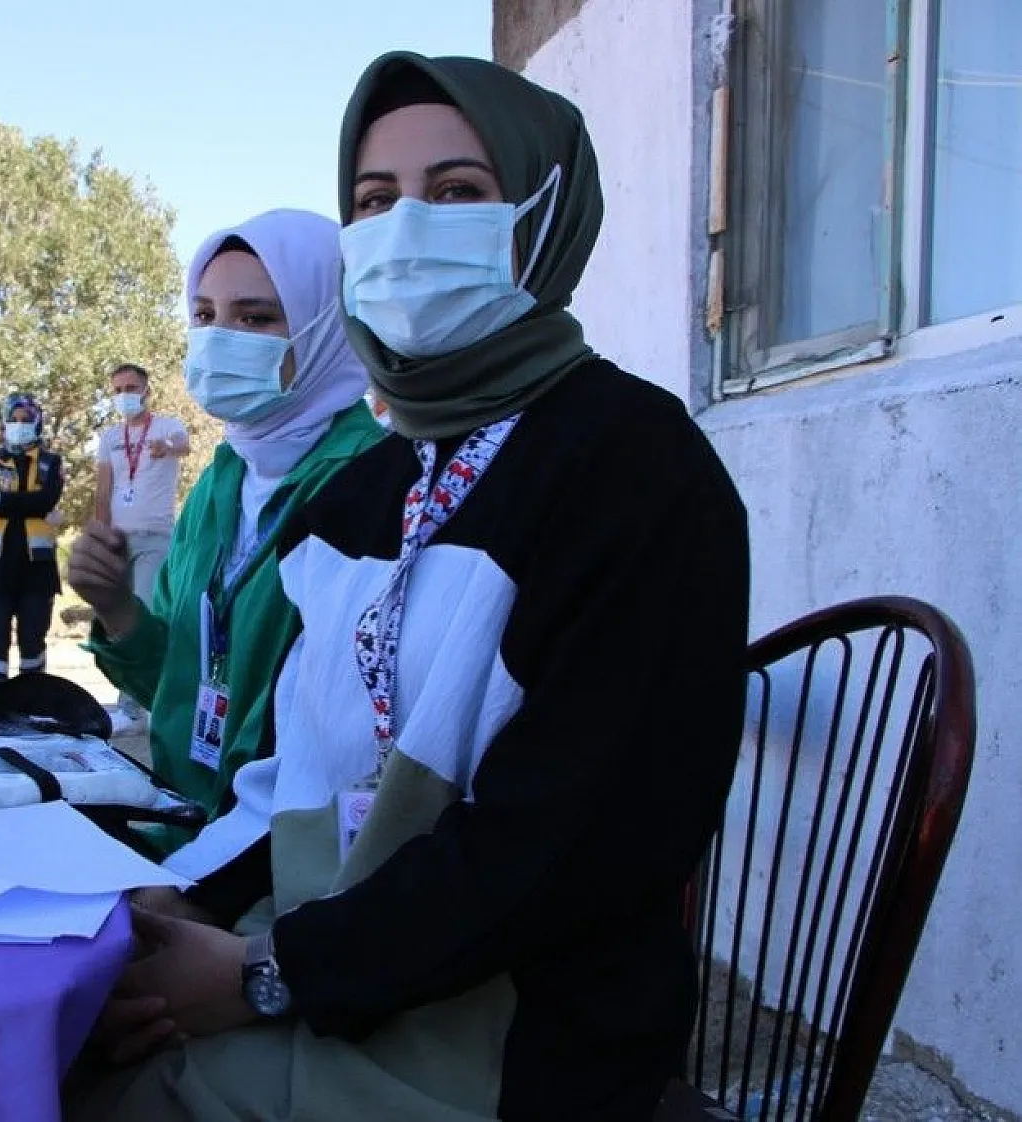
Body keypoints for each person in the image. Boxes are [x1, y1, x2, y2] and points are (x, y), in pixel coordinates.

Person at [67, 53, 750, 1122]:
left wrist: (263, 973)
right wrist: (174, 912)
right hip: (334, 973)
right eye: (375, 201)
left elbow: (567, 847)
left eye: (458, 194)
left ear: (546, 214)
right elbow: (287, 778)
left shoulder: (636, 471)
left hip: (505, 1048)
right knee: (51, 1040)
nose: (403, 230)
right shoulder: (363, 494)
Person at [68, 208, 385, 849]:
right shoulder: (221, 480)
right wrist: (118, 608)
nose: (220, 339)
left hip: (279, 860)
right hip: (184, 831)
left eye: (257, 317)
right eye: (205, 316)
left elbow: (347, 741)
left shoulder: (371, 484)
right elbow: (179, 684)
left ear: (330, 326)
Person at [93, 362, 192, 734]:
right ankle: (130, 706)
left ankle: (148, 704)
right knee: (118, 620)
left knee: (146, 611)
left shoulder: (167, 427)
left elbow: (184, 446)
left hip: (155, 536)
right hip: (119, 539)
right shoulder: (109, 438)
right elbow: (103, 489)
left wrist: (164, 447)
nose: (124, 395)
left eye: (131, 387)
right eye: (117, 389)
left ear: (147, 390)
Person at [0, 393, 65, 679]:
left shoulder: (52, 461)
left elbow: (47, 499)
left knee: (33, 644)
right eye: (13, 419)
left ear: (38, 423)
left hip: (37, 569)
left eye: (26, 419)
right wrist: (33, 506)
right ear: (4, 422)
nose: (19, 424)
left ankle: (31, 708)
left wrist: (2, 500)